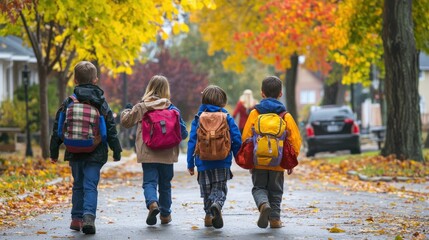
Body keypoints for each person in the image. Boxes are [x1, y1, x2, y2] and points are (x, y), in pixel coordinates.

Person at [50, 61, 122, 234]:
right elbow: (110, 129)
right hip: (95, 151)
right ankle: (89, 217)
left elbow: (58, 128)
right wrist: (116, 150)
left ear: (75, 80)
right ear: (95, 80)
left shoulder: (68, 102)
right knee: (90, 185)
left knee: (78, 185)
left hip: (74, 150)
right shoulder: (101, 103)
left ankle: (76, 219)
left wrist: (54, 152)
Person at [120, 75, 188, 226]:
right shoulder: (172, 108)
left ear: (149, 88)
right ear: (166, 90)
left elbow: (125, 122)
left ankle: (152, 204)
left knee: (149, 182)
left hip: (148, 153)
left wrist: (126, 111)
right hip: (167, 154)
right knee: (165, 184)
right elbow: (183, 133)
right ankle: (165, 214)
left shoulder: (142, 107)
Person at [241, 76, 301, 229]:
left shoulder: (255, 113)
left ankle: (263, 204)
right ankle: (275, 219)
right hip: (278, 161)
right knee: (276, 190)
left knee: (259, 187)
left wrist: (249, 159)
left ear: (262, 93)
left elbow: (246, 136)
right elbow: (295, 139)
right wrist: (291, 160)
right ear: (280, 94)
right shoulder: (285, 115)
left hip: (258, 160)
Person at [187, 85, 242, 229]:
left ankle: (208, 216)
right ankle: (217, 204)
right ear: (222, 101)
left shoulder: (199, 118)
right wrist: (238, 156)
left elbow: (192, 141)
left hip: (203, 162)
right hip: (222, 161)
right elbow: (236, 137)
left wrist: (190, 163)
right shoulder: (226, 117)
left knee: (206, 191)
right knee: (219, 188)